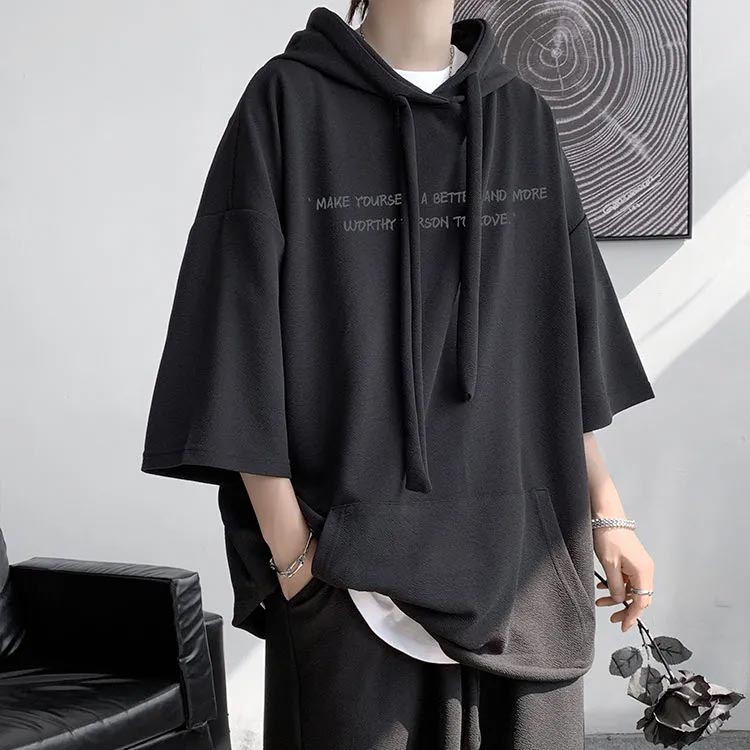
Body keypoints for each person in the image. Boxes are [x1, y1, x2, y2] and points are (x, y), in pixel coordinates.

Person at [140, 1, 657, 747]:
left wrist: (608, 512)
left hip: (526, 572)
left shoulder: (520, 115)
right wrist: (295, 560)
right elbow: (235, 336)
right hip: (348, 578)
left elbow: (553, 341)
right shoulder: (287, 102)